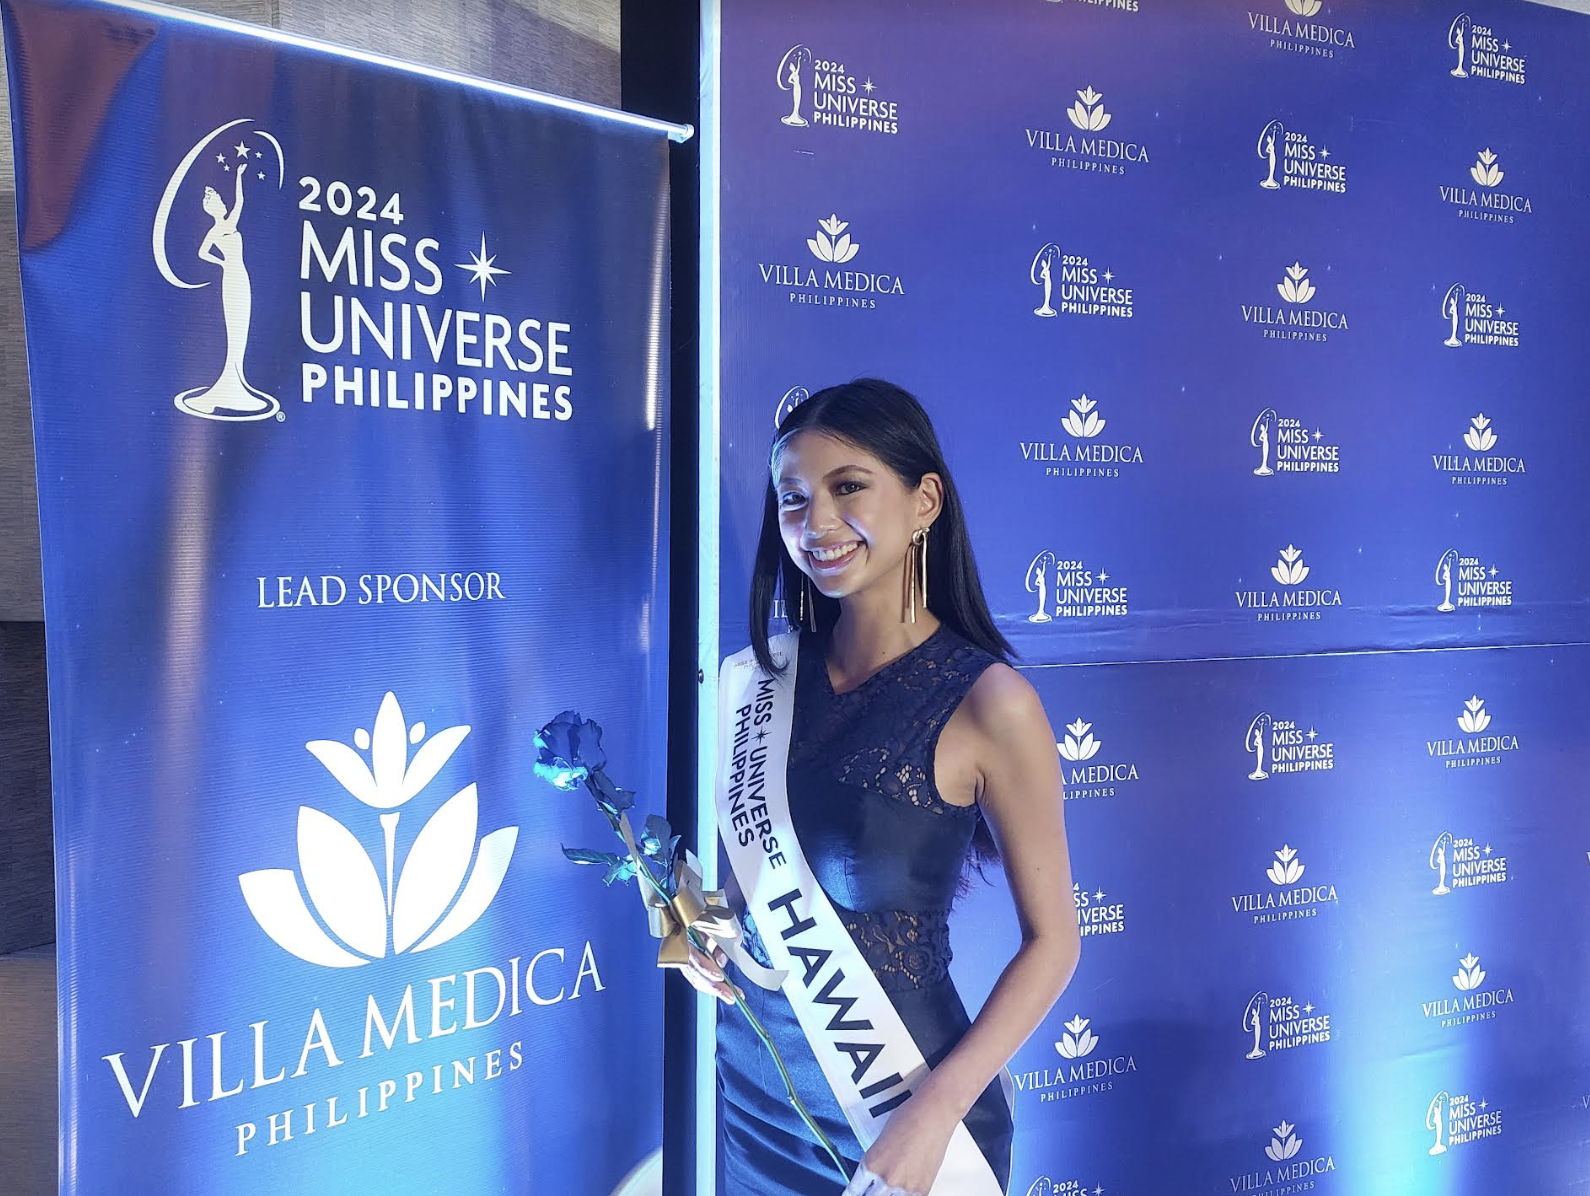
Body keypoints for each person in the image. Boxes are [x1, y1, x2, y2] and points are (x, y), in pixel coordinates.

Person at [686, 379, 1080, 1195]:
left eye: (847, 488)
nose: (815, 524)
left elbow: (1055, 943)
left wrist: (936, 1112)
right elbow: (748, 881)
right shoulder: (764, 683)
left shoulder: (989, 702)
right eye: (793, 498)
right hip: (758, 1097)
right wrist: (702, 925)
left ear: (925, 499)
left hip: (901, 1111)